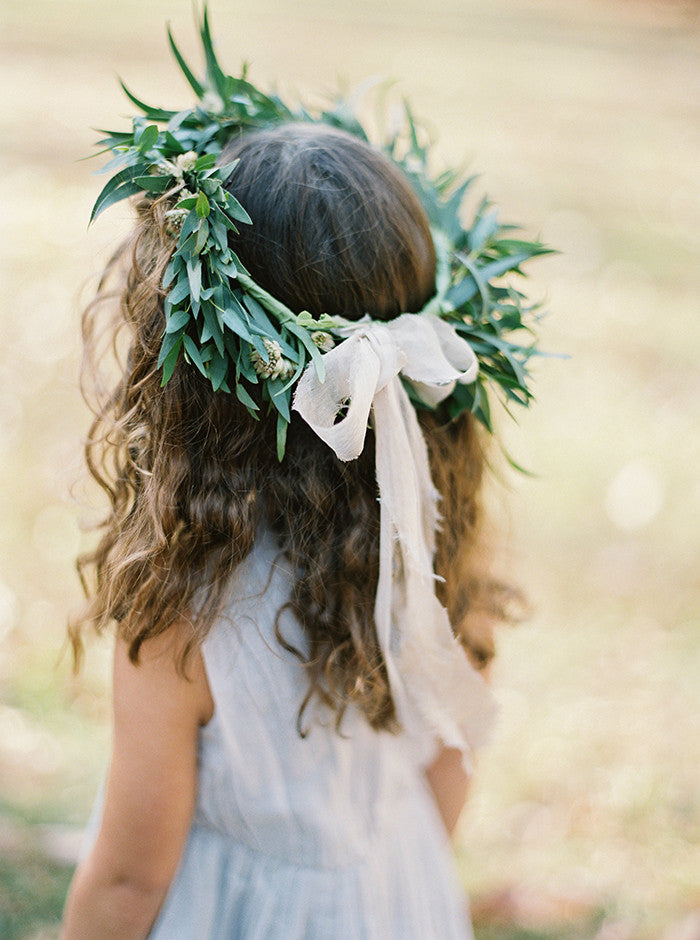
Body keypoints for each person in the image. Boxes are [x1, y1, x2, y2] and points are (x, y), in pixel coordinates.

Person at [62, 18, 544, 936]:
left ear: (196, 379)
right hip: (397, 893)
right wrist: (392, 888)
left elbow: (128, 878)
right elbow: (453, 757)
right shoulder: (444, 555)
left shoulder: (184, 614)